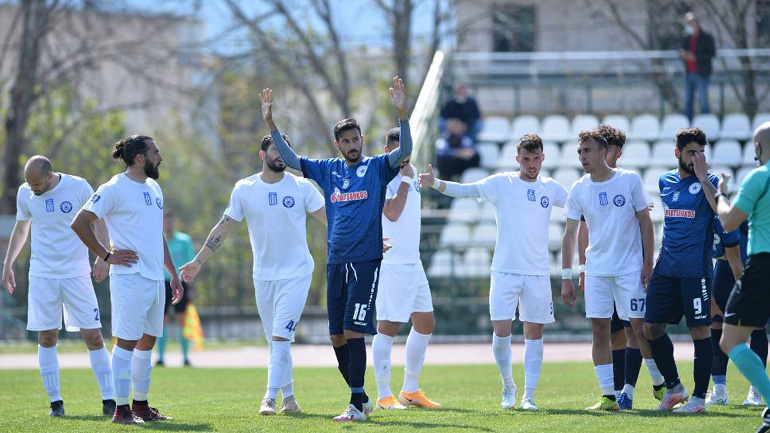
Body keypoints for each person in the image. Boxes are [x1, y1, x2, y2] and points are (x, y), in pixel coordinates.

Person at [261, 76, 412, 422]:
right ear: (338, 144)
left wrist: (402, 113)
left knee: (353, 329)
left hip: (365, 260)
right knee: (336, 335)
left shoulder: (376, 167)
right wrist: (271, 122)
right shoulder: (328, 170)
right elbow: (294, 160)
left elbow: (404, 152)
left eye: (356, 138)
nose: (352, 144)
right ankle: (360, 396)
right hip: (336, 261)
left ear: (362, 139)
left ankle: (356, 405)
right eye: (346, 141)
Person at [179, 133, 326, 416]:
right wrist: (198, 261)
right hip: (263, 276)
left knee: (281, 336)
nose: (281, 153)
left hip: (297, 273)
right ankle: (290, 398)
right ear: (262, 155)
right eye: (275, 148)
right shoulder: (244, 188)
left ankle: (269, 398)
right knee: (275, 340)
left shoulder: (302, 187)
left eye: (286, 147)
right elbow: (224, 227)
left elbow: (333, 220)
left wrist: (364, 237)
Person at [420, 133, 567, 411]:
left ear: (543, 158)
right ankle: (508, 385)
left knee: (534, 332)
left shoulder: (552, 188)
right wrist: (435, 183)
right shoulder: (503, 183)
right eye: (526, 158)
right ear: (517, 159)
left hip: (537, 273)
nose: (531, 164)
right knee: (501, 331)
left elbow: (579, 206)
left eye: (536, 158)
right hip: (505, 270)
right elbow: (467, 190)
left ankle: (529, 396)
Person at [71, 134, 183, 425]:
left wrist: (172, 273)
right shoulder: (113, 188)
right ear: (139, 158)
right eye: (155, 152)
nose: (160, 156)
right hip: (130, 278)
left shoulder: (155, 187)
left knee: (146, 344)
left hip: (154, 278)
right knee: (126, 344)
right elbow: (80, 223)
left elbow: (155, 234)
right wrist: (106, 256)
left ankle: (141, 407)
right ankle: (121, 411)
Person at [2, 156, 116, 417]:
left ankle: (110, 401)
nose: (33, 189)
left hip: (76, 274)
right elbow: (21, 229)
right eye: (29, 184)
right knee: (47, 337)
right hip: (42, 275)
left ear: (51, 177)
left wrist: (103, 255)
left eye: (37, 184)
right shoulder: (25, 192)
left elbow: (99, 221)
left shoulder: (78, 187)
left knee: (94, 336)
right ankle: (56, 403)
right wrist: (8, 263)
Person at [561, 130, 655, 412]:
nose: (582, 157)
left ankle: (661, 382)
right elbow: (572, 233)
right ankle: (609, 396)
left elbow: (645, 223)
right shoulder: (578, 188)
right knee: (601, 330)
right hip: (598, 271)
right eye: (579, 152)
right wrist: (573, 272)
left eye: (586, 151)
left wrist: (647, 262)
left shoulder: (629, 180)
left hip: (629, 269)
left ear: (605, 152)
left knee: (638, 328)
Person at [642, 127, 718, 413]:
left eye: (700, 153)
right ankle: (674, 388)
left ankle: (699, 398)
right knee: (650, 328)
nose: (696, 157)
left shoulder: (708, 181)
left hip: (695, 269)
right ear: (678, 153)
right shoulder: (665, 181)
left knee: (699, 330)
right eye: (691, 153)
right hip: (667, 267)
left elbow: (719, 208)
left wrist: (702, 178)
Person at [372, 128, 440, 411]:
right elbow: (392, 212)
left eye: (407, 154)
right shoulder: (383, 178)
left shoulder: (409, 175)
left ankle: (410, 390)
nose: (404, 159)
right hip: (392, 265)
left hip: (413, 263)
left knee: (426, 323)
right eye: (399, 152)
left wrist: (416, 179)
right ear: (388, 151)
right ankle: (384, 395)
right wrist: (405, 180)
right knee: (387, 327)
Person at [710, 121, 770, 433]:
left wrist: (721, 196)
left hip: (763, 265)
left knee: (730, 340)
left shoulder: (759, 176)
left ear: (758, 147)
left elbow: (730, 221)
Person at [706, 216, 767, 406]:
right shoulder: (723, 195)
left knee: (756, 327)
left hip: (753, 266)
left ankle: (755, 392)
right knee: (715, 322)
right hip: (725, 266)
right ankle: (719, 390)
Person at [155, 211, 196, 367]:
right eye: (166, 222)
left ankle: (185, 357)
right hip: (161, 283)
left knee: (183, 321)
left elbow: (191, 264)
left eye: (171, 221)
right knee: (161, 321)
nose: (168, 224)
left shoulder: (184, 240)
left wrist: (191, 287)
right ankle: (160, 357)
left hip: (180, 282)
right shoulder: (156, 239)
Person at [680, 11, 716, 122]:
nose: (690, 25)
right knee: (688, 101)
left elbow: (711, 53)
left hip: (701, 73)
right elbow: (681, 50)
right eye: (688, 23)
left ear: (697, 23)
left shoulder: (706, 37)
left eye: (691, 22)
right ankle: (687, 127)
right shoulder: (686, 38)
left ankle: (706, 124)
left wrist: (695, 57)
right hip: (689, 73)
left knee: (703, 100)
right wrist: (683, 55)